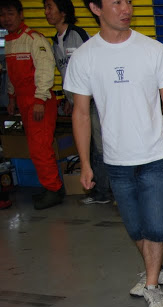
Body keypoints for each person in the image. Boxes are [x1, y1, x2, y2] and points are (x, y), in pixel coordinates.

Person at [64, 0, 163, 307]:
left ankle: (153, 285)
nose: (125, 7)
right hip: (115, 160)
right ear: (95, 8)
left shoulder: (152, 49)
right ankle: (155, 268)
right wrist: (86, 163)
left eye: (128, 1)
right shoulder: (85, 56)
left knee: (157, 226)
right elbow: (81, 113)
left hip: (155, 156)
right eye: (116, 2)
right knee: (135, 227)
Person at [43, 0, 111, 205]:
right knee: (88, 146)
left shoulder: (79, 35)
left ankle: (105, 192)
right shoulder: (55, 41)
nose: (46, 12)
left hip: (93, 101)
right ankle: (99, 188)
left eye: (49, 7)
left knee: (100, 146)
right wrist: (68, 98)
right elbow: (67, 75)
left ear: (63, 11)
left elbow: (94, 66)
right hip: (77, 103)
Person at [0, 0, 63, 210]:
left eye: (9, 14)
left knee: (40, 147)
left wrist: (39, 99)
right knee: (36, 148)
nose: (6, 19)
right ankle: (50, 187)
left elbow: (46, 69)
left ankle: (53, 190)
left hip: (40, 103)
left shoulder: (34, 39)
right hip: (23, 102)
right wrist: (11, 98)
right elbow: (11, 75)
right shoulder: (10, 41)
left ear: (20, 15)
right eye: (2, 15)